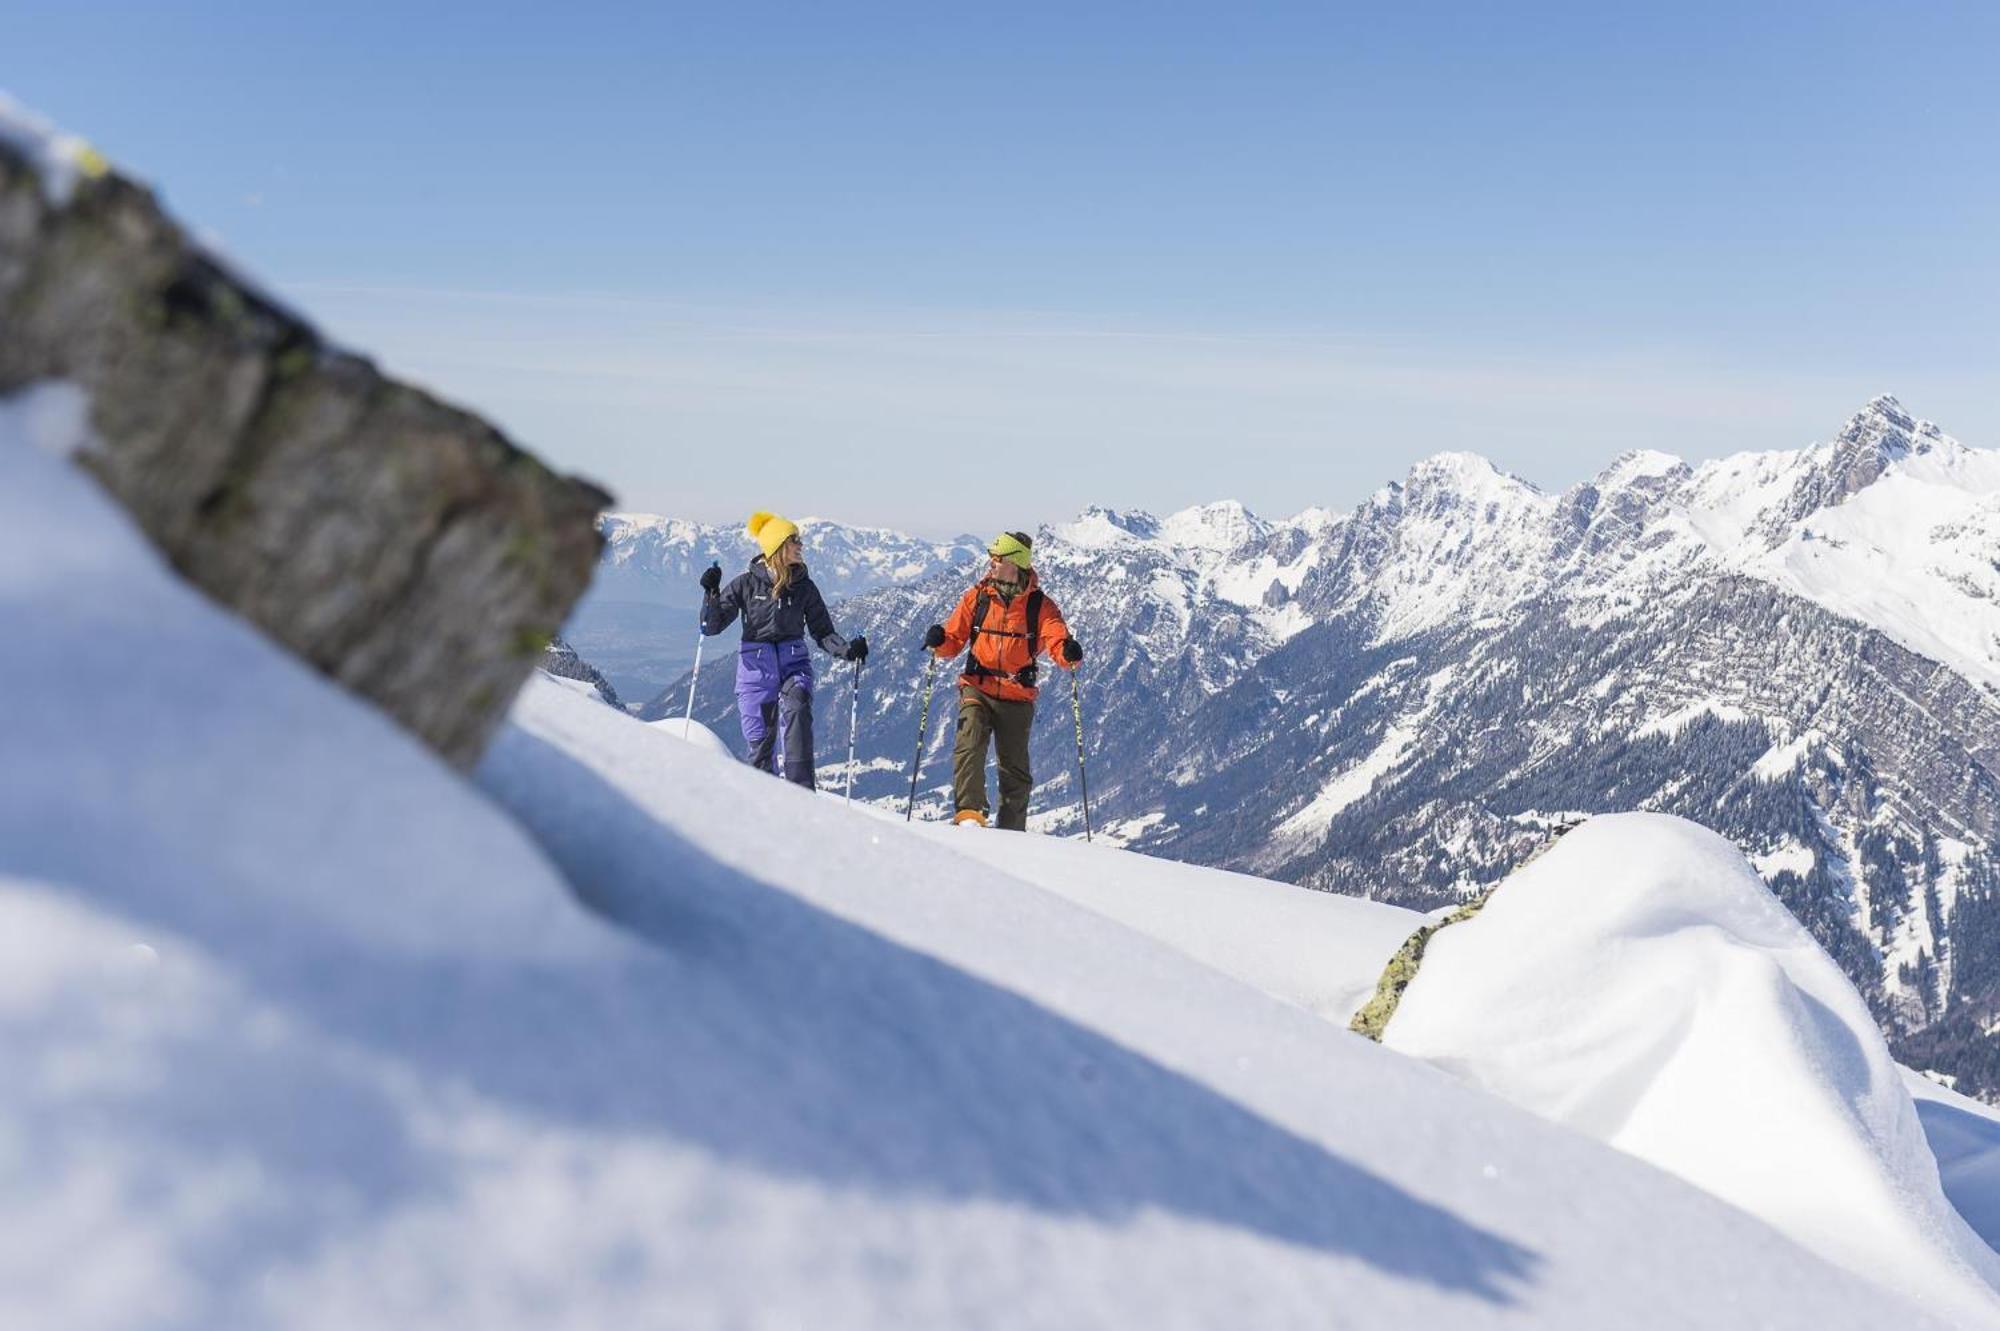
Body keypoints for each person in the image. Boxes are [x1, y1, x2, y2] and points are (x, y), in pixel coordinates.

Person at [922, 531, 1082, 830]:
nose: (991, 564)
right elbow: (953, 641)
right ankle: (970, 815)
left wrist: (1068, 653)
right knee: (969, 742)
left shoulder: (1040, 607)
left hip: (1017, 696)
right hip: (977, 686)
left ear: (1015, 563)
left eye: (998, 559)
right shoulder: (978, 597)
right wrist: (939, 640)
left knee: (1015, 771)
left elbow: (1056, 638)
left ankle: (1011, 832)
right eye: (992, 559)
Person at [701, 512, 867, 788]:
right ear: (778, 546)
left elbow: (823, 631)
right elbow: (711, 627)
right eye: (795, 540)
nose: (801, 545)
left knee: (798, 707)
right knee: (760, 742)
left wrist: (848, 651)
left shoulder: (804, 587)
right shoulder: (745, 584)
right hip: (756, 671)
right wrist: (711, 593)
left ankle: (801, 792)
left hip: (794, 665)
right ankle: (765, 800)